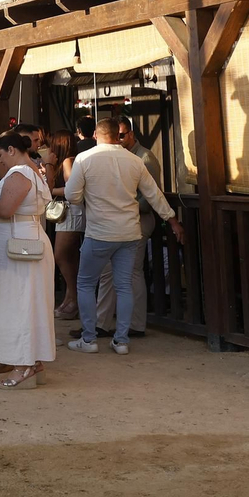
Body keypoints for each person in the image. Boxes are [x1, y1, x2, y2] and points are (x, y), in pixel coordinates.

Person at [65, 119, 184, 354]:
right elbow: (154, 194)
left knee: (86, 283)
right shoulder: (134, 160)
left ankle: (89, 339)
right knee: (124, 285)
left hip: (99, 232)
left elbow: (72, 196)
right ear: (116, 136)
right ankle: (121, 341)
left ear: (97, 135)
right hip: (130, 231)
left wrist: (88, 197)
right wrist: (172, 220)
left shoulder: (85, 159)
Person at [0, 130, 55, 388]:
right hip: (24, 243)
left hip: (20, 248)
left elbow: (5, 209)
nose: (0, 161)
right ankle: (32, 363)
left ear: (12, 150)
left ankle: (24, 365)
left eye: (2, 155)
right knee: (26, 303)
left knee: (19, 304)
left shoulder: (20, 172)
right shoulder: (29, 172)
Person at [91, 116, 166, 337]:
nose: (118, 139)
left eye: (122, 135)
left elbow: (151, 195)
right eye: (116, 135)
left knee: (132, 272)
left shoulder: (144, 158)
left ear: (130, 134)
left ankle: (135, 324)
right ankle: (102, 323)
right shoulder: (120, 156)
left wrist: (125, 205)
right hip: (118, 221)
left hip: (137, 220)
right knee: (108, 273)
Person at [48, 129, 84, 319]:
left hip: (71, 210)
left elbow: (71, 189)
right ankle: (71, 299)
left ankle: (74, 298)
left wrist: (52, 189)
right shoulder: (67, 161)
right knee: (69, 257)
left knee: (61, 255)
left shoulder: (68, 161)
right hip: (68, 211)